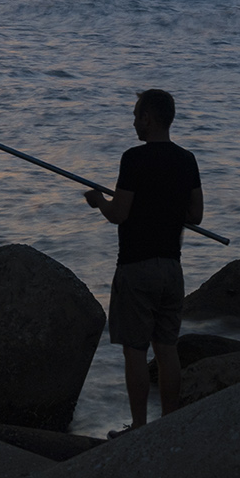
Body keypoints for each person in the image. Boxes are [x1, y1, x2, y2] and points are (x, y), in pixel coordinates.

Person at [84, 88, 204, 436]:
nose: (134, 121)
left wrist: (98, 201)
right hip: (171, 268)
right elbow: (195, 214)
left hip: (136, 268)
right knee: (167, 350)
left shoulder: (133, 159)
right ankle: (170, 426)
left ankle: (139, 429)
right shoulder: (187, 159)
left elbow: (119, 214)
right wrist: (167, 204)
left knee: (135, 351)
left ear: (147, 118)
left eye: (136, 115)